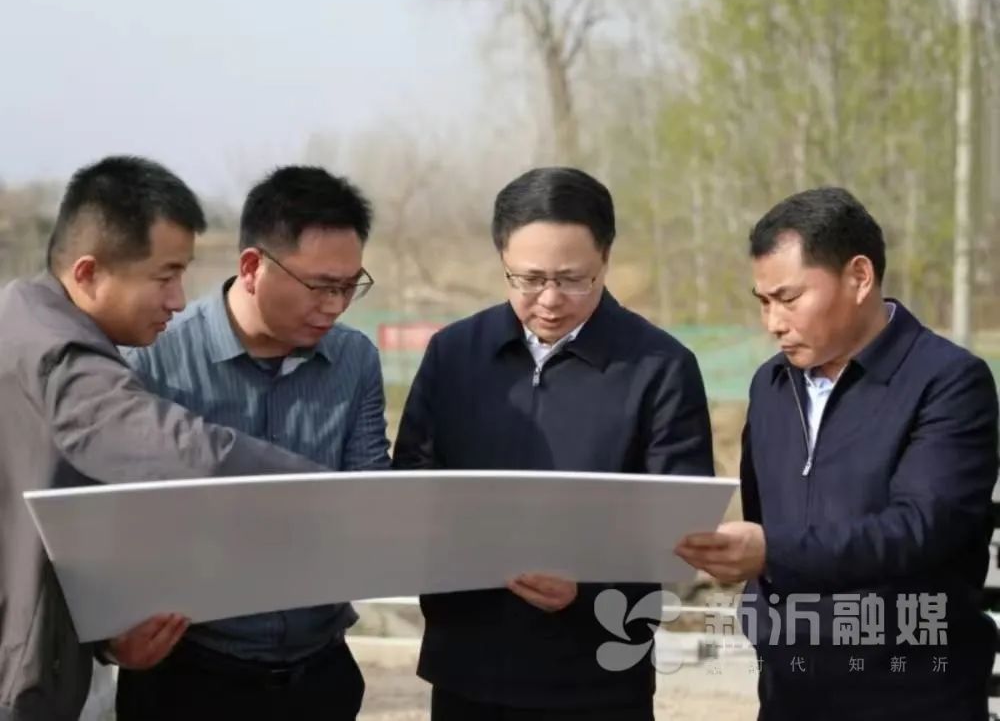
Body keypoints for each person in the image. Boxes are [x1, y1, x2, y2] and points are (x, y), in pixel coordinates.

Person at [0, 156, 333, 721]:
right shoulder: (60, 358)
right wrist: (329, 494)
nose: (178, 300)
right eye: (164, 276)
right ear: (88, 273)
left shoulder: (22, 319)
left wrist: (105, 640)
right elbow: (186, 454)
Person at [393, 166, 715, 720]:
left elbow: (679, 527)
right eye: (529, 278)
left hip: (598, 678)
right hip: (468, 670)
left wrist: (586, 590)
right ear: (502, 259)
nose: (549, 299)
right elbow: (410, 489)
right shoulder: (454, 354)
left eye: (572, 279)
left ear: (605, 259)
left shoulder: (660, 368)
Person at [676, 186, 1000, 720]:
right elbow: (766, 516)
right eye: (763, 302)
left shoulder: (947, 382)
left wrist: (772, 552)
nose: (774, 322)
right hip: (790, 692)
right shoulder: (771, 386)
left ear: (859, 277)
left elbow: (920, 528)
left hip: (911, 693)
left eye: (789, 299)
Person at [115, 165, 390, 721]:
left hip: (320, 674)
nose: (335, 305)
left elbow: (370, 499)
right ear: (251, 268)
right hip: (187, 676)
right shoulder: (153, 359)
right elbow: (117, 520)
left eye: (348, 286)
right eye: (320, 286)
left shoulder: (355, 359)